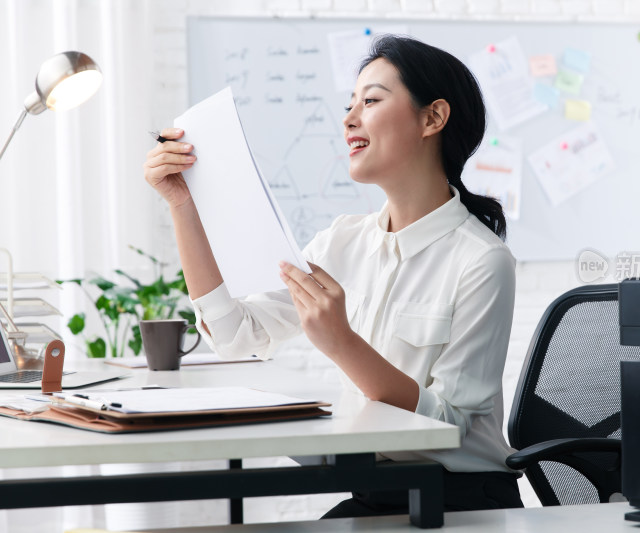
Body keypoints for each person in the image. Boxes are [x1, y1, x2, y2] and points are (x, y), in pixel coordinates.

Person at [143, 34, 523, 517]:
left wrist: (341, 341)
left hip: (461, 502)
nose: (348, 119)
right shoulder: (342, 241)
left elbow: (447, 428)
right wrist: (182, 205)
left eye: (370, 101)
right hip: (375, 492)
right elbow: (235, 335)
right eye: (350, 105)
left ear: (433, 118)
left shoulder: (482, 261)